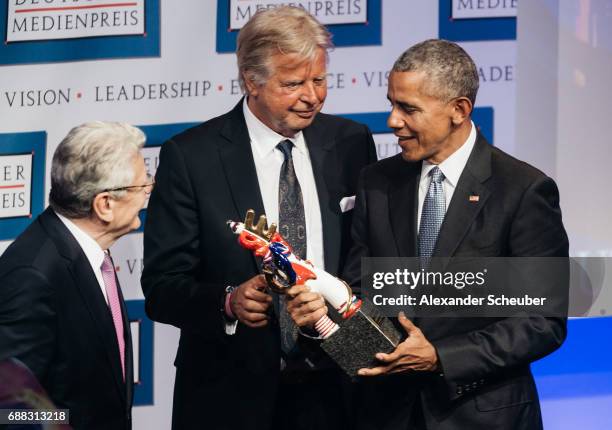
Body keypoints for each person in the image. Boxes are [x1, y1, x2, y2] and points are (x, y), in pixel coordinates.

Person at [141, 6, 377, 430]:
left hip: (338, 388)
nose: (313, 96)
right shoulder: (191, 157)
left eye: (319, 80)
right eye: (293, 83)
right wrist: (227, 301)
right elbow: (161, 286)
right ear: (252, 81)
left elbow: (367, 256)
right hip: (232, 395)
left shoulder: (351, 142)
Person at [342, 39, 569, 429]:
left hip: (482, 415)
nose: (393, 121)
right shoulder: (376, 182)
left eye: (408, 109)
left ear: (459, 110)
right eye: (392, 104)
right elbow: (362, 288)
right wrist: (327, 316)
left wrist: (441, 356)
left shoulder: (523, 190)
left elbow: (542, 320)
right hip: (386, 412)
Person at [0, 121, 151, 430]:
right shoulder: (32, 277)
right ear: (105, 204)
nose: (148, 192)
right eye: (141, 185)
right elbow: (11, 412)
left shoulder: (91, 252)